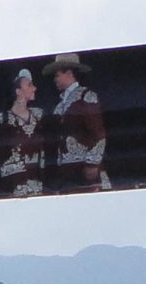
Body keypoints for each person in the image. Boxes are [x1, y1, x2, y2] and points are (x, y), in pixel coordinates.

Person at [0, 67, 45, 198]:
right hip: (10, 184)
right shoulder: (1, 120)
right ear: (18, 91)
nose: (34, 88)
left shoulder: (39, 116)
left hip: (38, 183)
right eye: (29, 85)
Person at [43, 52, 107, 192]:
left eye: (57, 75)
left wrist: (92, 164)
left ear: (69, 73)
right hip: (66, 170)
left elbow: (98, 132)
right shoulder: (59, 105)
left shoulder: (86, 96)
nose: (55, 79)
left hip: (85, 167)